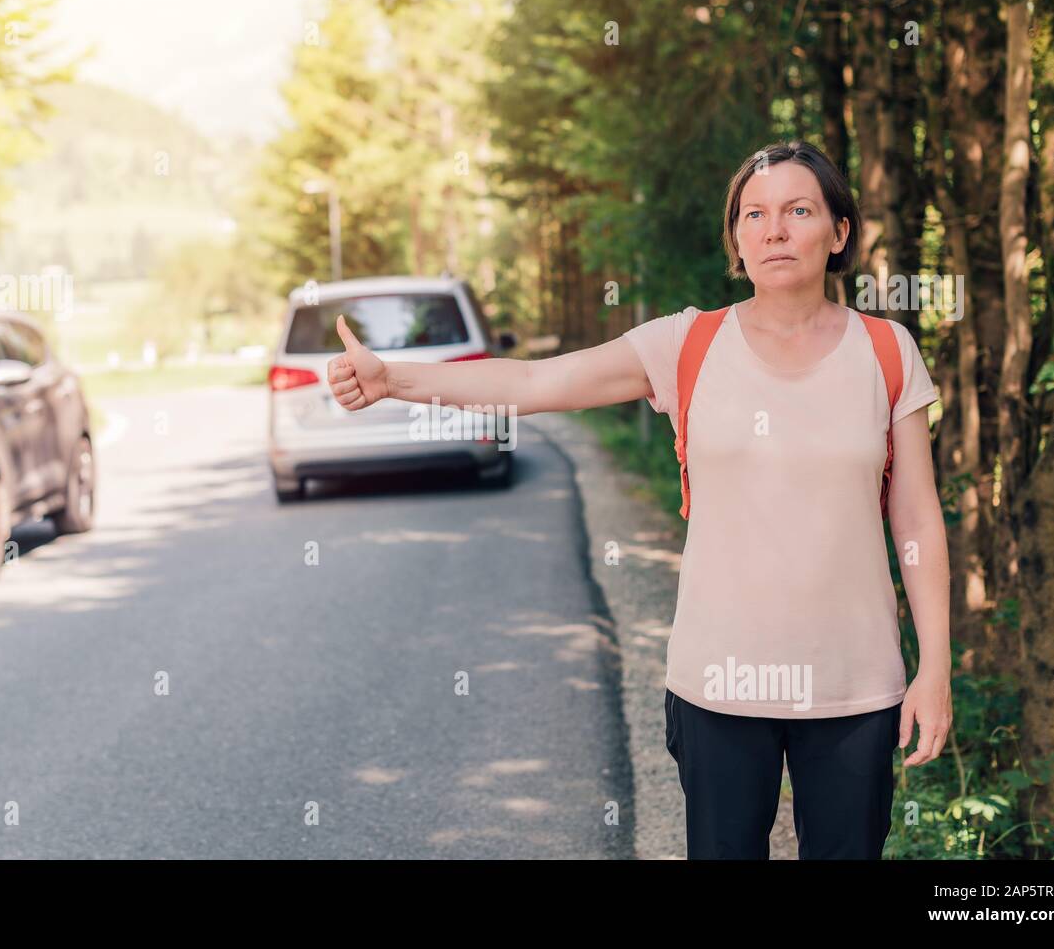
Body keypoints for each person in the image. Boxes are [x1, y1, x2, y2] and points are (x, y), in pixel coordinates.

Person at [325, 139, 952, 860]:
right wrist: (394, 380)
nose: (774, 229)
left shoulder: (887, 350)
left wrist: (933, 668)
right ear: (738, 241)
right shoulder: (686, 345)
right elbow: (535, 385)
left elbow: (916, 519)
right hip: (719, 685)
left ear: (838, 232)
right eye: (755, 214)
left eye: (798, 210)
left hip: (855, 687)